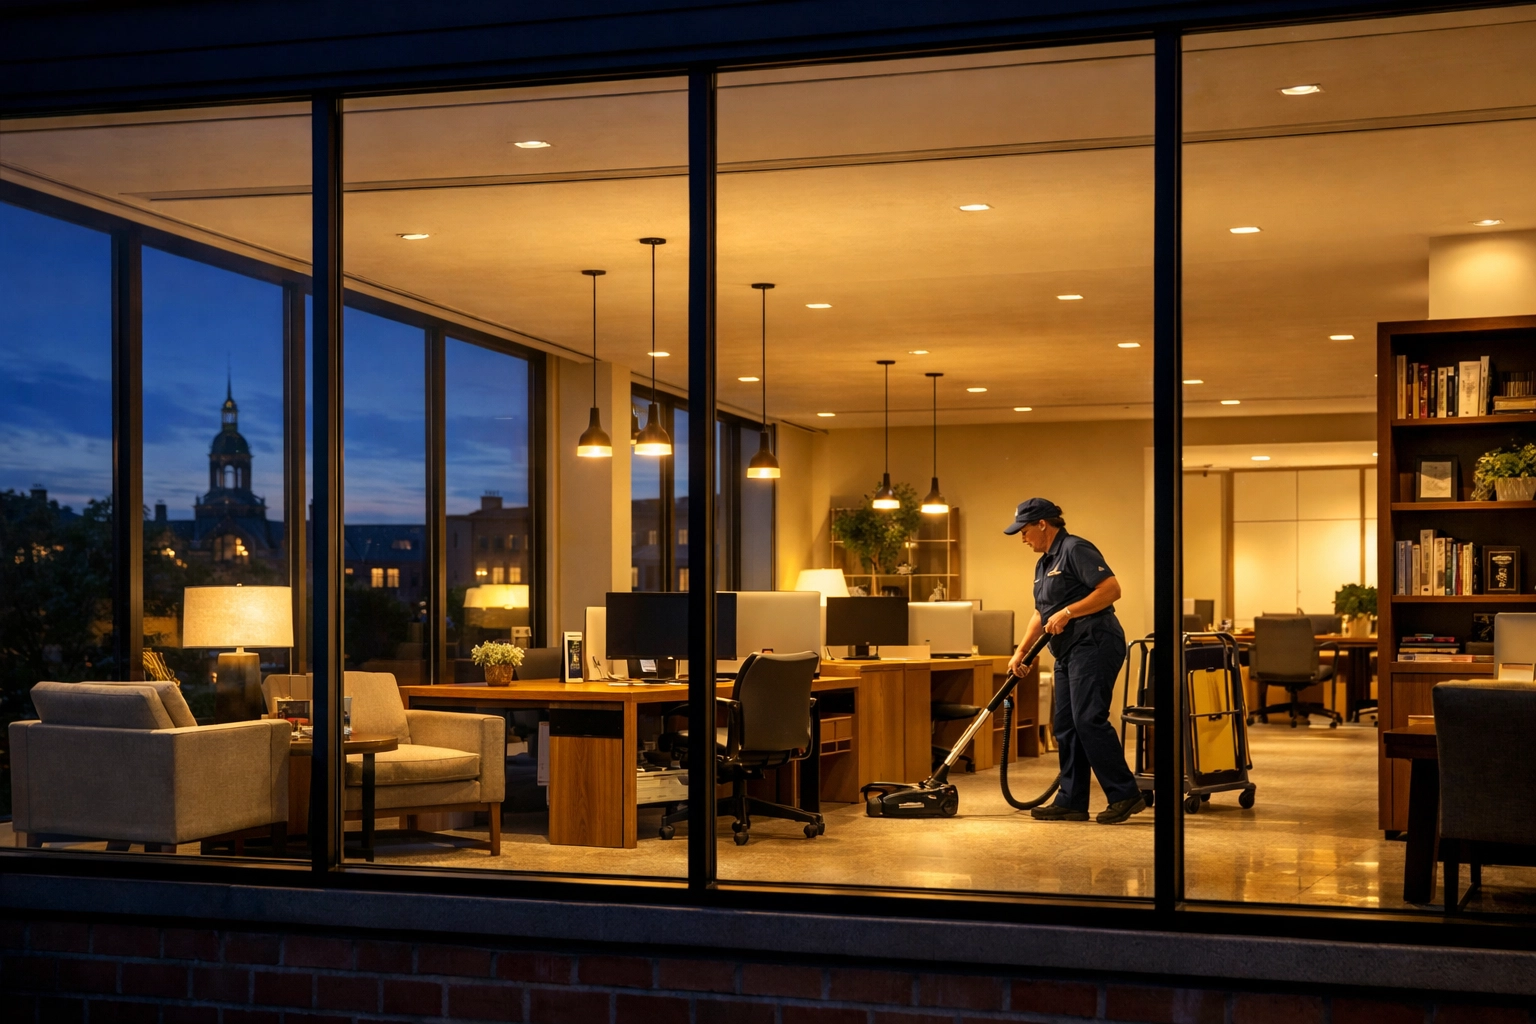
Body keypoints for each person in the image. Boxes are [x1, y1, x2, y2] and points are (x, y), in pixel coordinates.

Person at [1005, 498, 1145, 824]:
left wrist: (1068, 612)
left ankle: (1125, 794)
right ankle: (1071, 800)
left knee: (1088, 719)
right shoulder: (1043, 564)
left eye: (1025, 530)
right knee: (1066, 725)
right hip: (1067, 650)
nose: (1022, 538)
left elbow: (1111, 589)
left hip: (1094, 642)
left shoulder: (1075, 549)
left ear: (1043, 524)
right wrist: (1021, 651)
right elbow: (1041, 613)